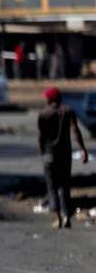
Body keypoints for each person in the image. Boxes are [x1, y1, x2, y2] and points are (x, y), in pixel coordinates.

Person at [38, 87, 89, 229]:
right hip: (65, 155)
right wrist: (83, 149)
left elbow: (41, 137)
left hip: (49, 154)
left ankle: (57, 217)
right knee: (65, 186)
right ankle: (67, 215)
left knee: (52, 186)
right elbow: (76, 131)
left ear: (49, 99)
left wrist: (42, 151)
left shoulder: (43, 114)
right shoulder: (68, 111)